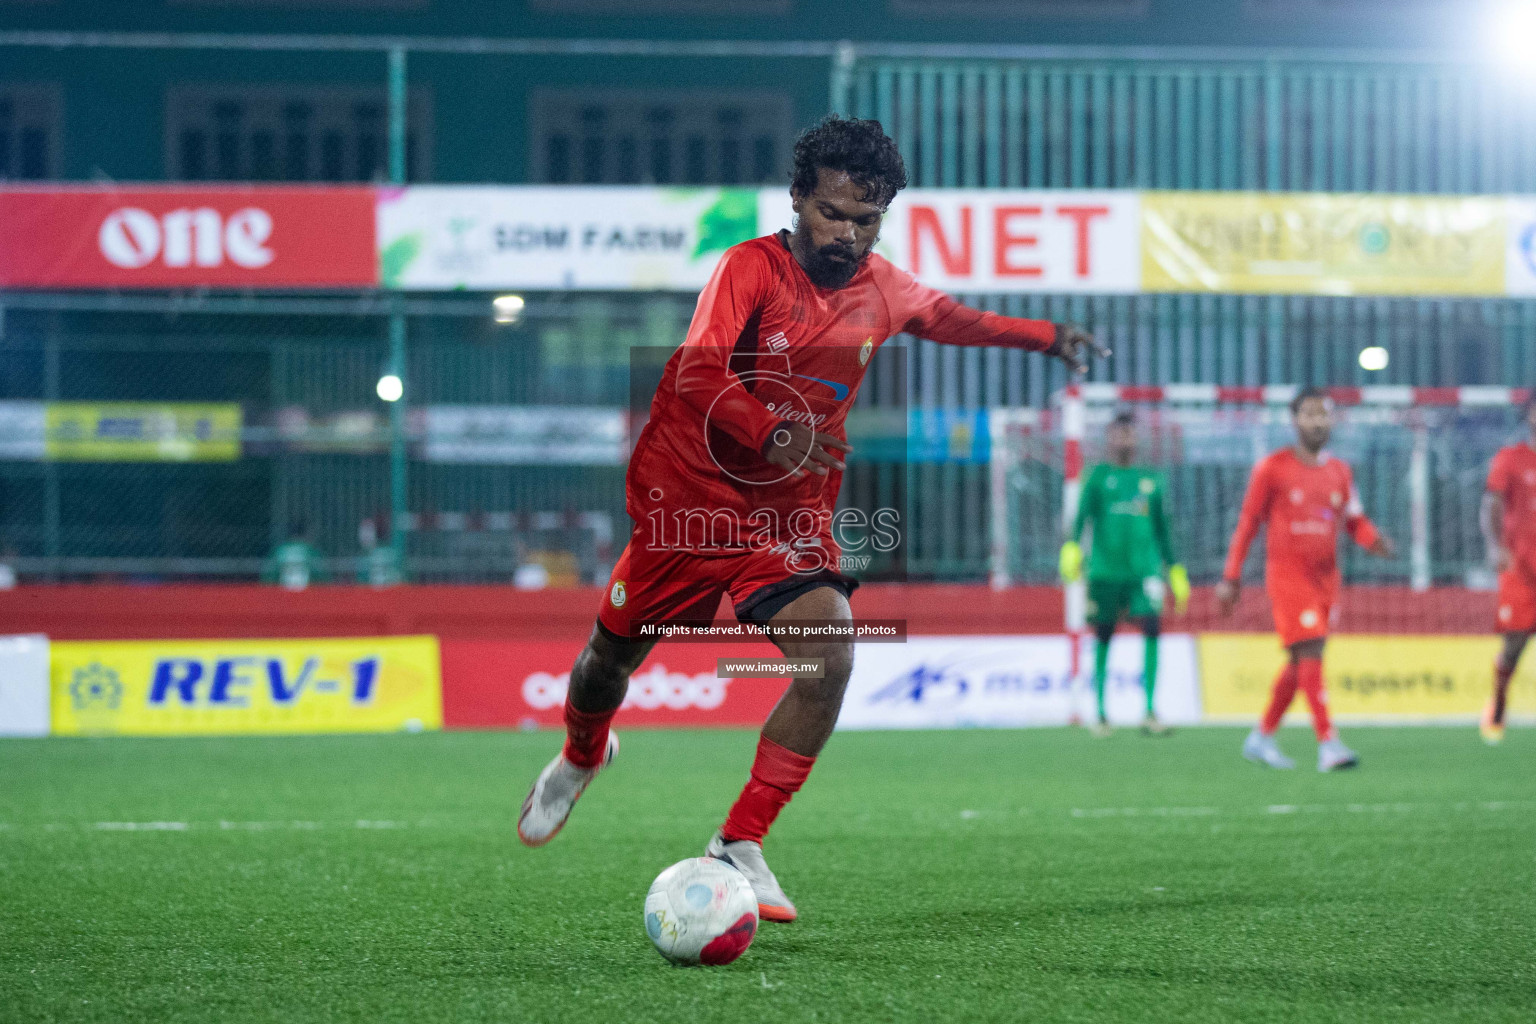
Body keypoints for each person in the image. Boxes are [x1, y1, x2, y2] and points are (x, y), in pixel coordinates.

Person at [516, 115, 1107, 922]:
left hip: (785, 520)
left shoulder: (884, 289)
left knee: (828, 655)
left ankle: (739, 840)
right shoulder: (749, 270)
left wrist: (1046, 338)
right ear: (798, 199)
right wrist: (770, 429)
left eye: (867, 220)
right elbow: (694, 371)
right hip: (688, 509)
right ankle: (583, 754)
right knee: (604, 664)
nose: (849, 234)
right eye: (833, 213)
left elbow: (955, 320)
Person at [1217, 387, 1394, 772]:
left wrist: (1372, 540)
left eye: (1324, 414)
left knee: (1301, 662)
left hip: (1326, 580)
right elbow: (1248, 523)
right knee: (1312, 650)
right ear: (1294, 420)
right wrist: (1231, 576)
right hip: (1287, 576)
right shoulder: (1272, 468)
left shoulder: (1340, 472)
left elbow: (1353, 520)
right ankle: (1328, 743)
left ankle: (1261, 737)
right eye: (1310, 414)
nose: (1318, 421)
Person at [1059, 410, 1188, 737]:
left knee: (1152, 629)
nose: (1124, 440)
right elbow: (1081, 518)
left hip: (1144, 572)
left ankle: (1149, 710)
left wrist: (1174, 568)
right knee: (1103, 634)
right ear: (1109, 438)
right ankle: (1100, 712)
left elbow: (1163, 528)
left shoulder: (1151, 479)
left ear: (1137, 438)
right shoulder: (1098, 477)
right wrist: (1072, 547)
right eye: (1118, 434)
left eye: (1129, 434)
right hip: (1104, 571)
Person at [1479, 397, 1536, 745]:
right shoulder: (1511, 458)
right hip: (1520, 567)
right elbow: (1491, 504)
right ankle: (1499, 699)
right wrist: (1494, 545)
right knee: (1514, 642)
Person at [263, 521, 325, 591]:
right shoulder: (311, 551)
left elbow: (268, 576)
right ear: (305, 534)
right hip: (307, 596)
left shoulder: (279, 551)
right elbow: (322, 577)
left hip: (281, 596)